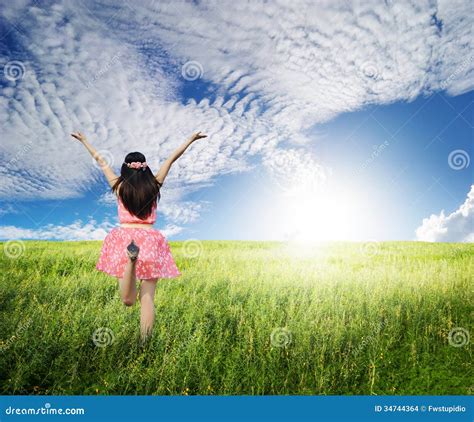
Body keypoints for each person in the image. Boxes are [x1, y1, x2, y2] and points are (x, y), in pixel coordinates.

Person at [71, 130, 207, 341]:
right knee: (147, 300)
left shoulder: (119, 185)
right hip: (150, 239)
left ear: (125, 168)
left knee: (128, 301)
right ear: (145, 167)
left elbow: (100, 161)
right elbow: (172, 158)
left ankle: (131, 262)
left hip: (124, 238)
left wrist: (84, 140)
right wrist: (190, 139)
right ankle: (145, 342)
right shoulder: (154, 185)